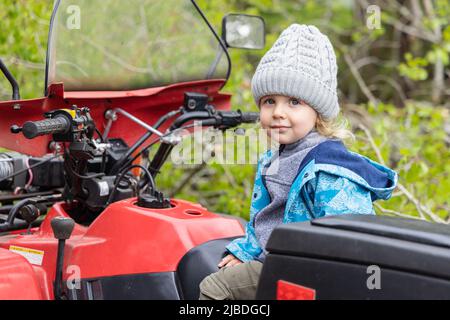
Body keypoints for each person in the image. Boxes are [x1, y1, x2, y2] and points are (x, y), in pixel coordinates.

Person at [199, 24, 398, 300]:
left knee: (214, 287)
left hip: (306, 273)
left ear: (318, 113)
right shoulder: (273, 158)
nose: (278, 112)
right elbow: (264, 218)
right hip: (278, 260)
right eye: (269, 101)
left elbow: (351, 240)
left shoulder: (331, 170)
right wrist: (246, 250)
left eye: (294, 102)